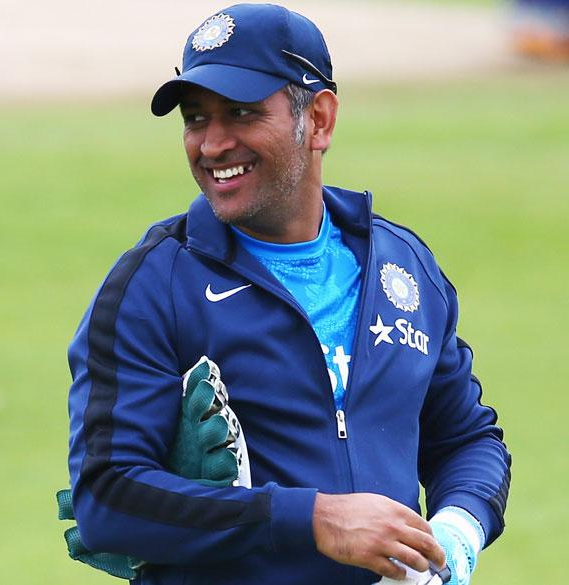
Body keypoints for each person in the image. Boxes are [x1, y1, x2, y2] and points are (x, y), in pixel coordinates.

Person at [67, 4, 511, 584]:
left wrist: (457, 530)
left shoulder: (400, 267)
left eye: (243, 113)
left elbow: (466, 436)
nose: (213, 144)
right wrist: (311, 518)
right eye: (196, 118)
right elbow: (106, 497)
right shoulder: (154, 287)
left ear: (319, 119)